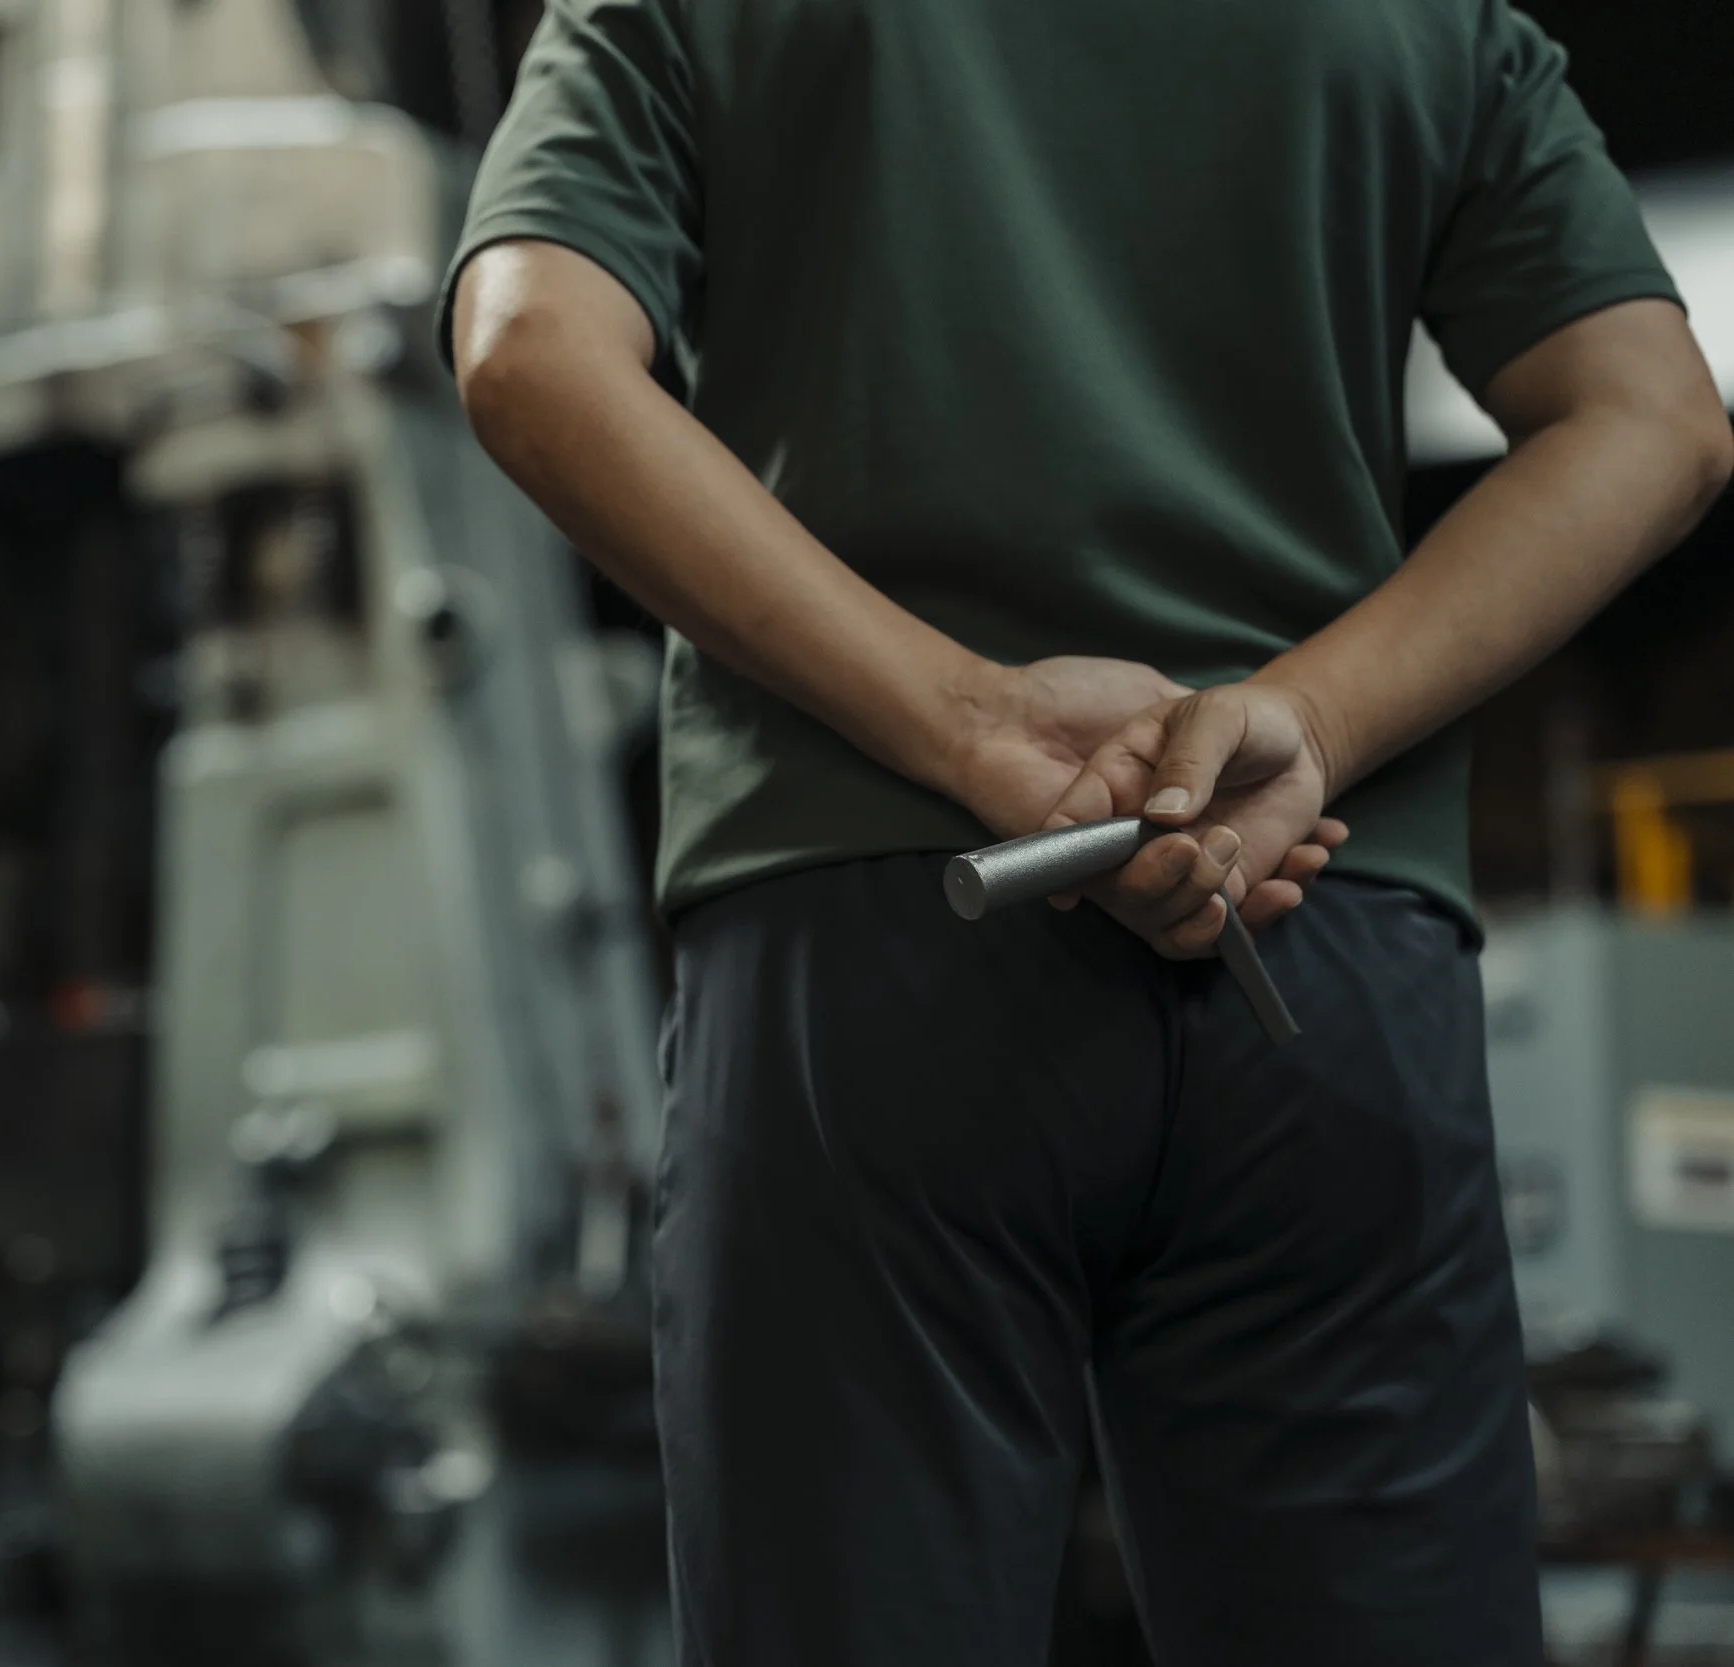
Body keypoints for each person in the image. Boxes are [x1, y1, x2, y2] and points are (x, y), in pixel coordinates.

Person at [439, 0, 1733, 1662]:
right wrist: (1310, 718)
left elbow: (529, 347)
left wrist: (971, 715)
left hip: (878, 939)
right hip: (1316, 932)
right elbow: (1657, 417)